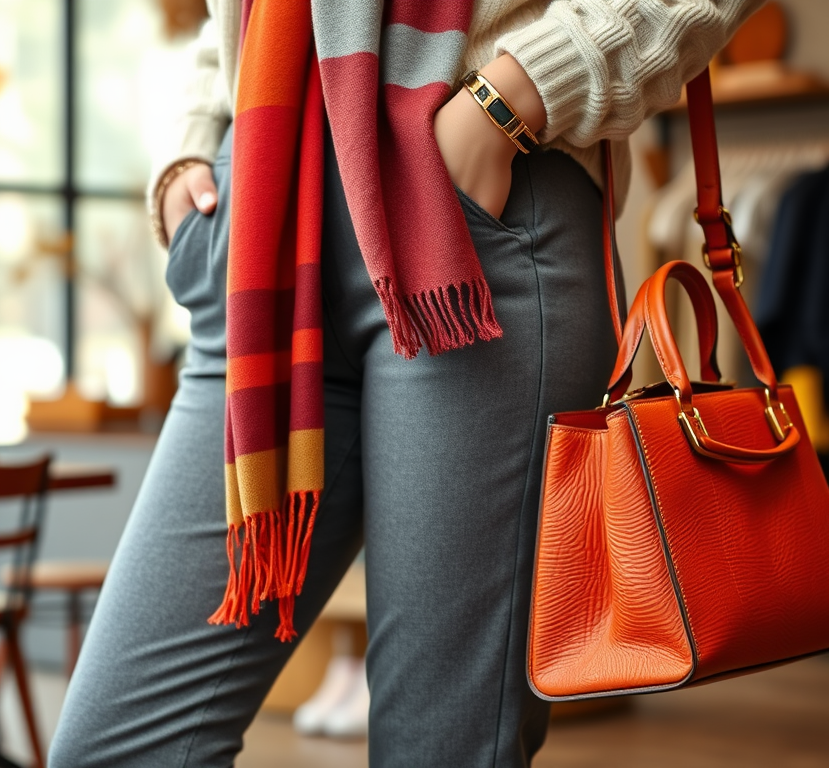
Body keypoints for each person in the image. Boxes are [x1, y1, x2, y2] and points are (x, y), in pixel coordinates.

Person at [50, 1, 761, 765]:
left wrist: (516, 96)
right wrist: (197, 140)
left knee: (441, 748)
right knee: (112, 747)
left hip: (467, 227)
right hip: (263, 225)